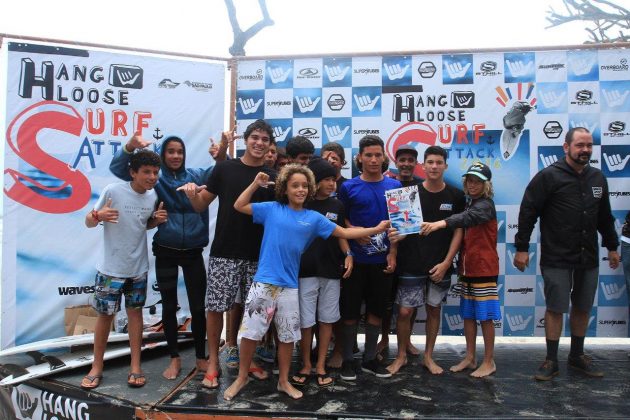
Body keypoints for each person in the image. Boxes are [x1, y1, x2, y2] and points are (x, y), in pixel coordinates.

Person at [223, 164, 390, 401]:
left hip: (291, 286)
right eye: (295, 185)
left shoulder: (314, 219)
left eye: (304, 185)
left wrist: (376, 228)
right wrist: (255, 184)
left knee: (288, 336)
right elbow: (239, 205)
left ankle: (283, 381)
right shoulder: (272, 208)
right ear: (285, 188)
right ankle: (241, 377)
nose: (300, 189)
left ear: (310, 188)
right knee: (251, 333)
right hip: (265, 283)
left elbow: (344, 233)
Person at [110, 132, 227, 380]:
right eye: (171, 151)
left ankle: (200, 357)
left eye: (180, 152)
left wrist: (222, 155)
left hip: (194, 251)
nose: (176, 156)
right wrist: (129, 147)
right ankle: (174, 359)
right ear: (163, 155)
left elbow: (222, 173)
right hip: (165, 250)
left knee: (198, 307)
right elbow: (120, 169)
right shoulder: (157, 178)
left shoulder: (196, 176)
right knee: (169, 306)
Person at [513, 127, 620, 380]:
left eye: (589, 146)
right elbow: (528, 212)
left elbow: (604, 216)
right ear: (566, 147)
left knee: (582, 307)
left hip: (589, 256)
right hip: (557, 256)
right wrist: (521, 248)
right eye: (579, 145)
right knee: (555, 308)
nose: (585, 150)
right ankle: (551, 360)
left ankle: (576, 356)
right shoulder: (548, 176)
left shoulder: (598, 178)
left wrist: (612, 246)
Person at [178, 119, 276, 389]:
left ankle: (248, 360)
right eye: (255, 137)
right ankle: (213, 362)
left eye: (265, 140)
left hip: (258, 254)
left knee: (251, 311)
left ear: (270, 145)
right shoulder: (224, 168)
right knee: (215, 308)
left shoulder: (273, 177)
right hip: (224, 250)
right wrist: (189, 194)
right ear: (246, 139)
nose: (259, 143)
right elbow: (200, 205)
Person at [81, 150, 165, 389]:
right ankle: (97, 366)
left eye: (155, 173)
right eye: (146, 172)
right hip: (110, 269)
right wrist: (98, 215)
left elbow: (142, 225)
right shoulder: (113, 191)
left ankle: (135, 366)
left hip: (138, 268)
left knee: (135, 315)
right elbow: (88, 221)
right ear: (132, 172)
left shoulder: (153, 196)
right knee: (105, 317)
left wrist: (155, 222)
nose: (152, 177)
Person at [387, 146, 465, 375]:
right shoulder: (407, 192)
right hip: (410, 262)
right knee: (404, 312)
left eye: (438, 162)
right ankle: (400, 355)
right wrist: (395, 242)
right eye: (429, 162)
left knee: (433, 310)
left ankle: (428, 357)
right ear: (423, 165)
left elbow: (459, 232)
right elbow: (399, 229)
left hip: (439, 265)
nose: (433, 166)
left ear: (445, 166)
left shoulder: (456, 195)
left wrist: (446, 263)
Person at [421, 162, 500, 378]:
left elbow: (468, 219)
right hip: (467, 270)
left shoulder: (485, 205)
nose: (473, 185)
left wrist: (439, 224)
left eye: (478, 181)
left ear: (486, 184)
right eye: (470, 180)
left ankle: (489, 361)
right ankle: (470, 357)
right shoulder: (469, 203)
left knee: (484, 317)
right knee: (468, 315)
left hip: (484, 270)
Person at [337, 135, 401, 381]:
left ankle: (370, 359)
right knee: (350, 312)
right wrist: (355, 232)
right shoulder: (348, 187)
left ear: (384, 157)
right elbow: (340, 219)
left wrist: (393, 253)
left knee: (377, 311)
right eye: (368, 155)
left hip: (383, 262)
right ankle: (348, 361)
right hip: (355, 262)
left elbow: (402, 225)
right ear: (359, 158)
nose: (374, 160)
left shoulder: (395, 187)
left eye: (378, 155)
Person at [291, 158, 353, 388]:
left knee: (327, 320)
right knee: (306, 322)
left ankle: (320, 365)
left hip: (331, 272)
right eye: (326, 179)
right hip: (305, 272)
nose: (331, 184)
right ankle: (306, 364)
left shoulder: (337, 206)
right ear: (314, 181)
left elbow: (341, 235)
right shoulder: (301, 205)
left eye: (333, 179)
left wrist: (349, 255)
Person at [377, 144, 424, 361]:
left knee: (409, 304)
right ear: (396, 162)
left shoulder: (421, 188)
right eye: (402, 160)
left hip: (413, 253)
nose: (406, 164)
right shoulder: (387, 185)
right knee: (386, 300)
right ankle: (384, 338)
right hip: (386, 250)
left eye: (410, 160)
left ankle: (407, 341)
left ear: (416, 164)